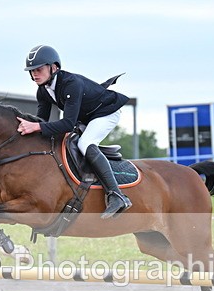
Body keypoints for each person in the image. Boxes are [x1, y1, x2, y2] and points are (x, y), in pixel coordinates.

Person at [17, 45, 132, 219]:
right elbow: (41, 122)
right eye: (32, 71)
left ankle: (117, 195)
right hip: (87, 117)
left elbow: (68, 124)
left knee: (85, 143)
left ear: (53, 67)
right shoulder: (43, 91)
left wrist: (36, 127)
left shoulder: (71, 84)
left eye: (38, 69)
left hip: (106, 112)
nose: (34, 74)